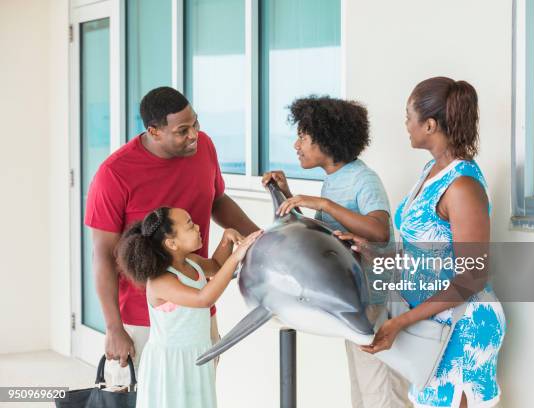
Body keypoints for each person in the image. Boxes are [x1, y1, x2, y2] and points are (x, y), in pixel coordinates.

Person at [337, 77, 506, 408]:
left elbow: (472, 276)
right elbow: (426, 250)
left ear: (429, 124)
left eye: (407, 116)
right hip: (429, 325)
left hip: (463, 330)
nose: (405, 124)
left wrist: (400, 323)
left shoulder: (462, 187)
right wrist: (373, 253)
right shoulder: (432, 170)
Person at [84, 87, 258, 385]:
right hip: (144, 319)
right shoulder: (114, 174)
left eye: (196, 124)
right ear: (154, 131)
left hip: (198, 311)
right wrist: (113, 327)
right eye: (182, 130)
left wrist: (260, 237)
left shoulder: (204, 147)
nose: (194, 135)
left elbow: (217, 200)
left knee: (197, 399)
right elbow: (103, 254)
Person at [262, 96, 410, 408]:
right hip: (353, 304)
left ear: (327, 138)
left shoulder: (362, 178)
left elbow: (379, 229)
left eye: (303, 136)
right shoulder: (334, 181)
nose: (296, 145)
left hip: (374, 307)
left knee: (382, 396)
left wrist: (323, 204)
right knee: (363, 395)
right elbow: (328, 237)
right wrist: (288, 196)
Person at [116, 206, 262, 407]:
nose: (198, 227)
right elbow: (204, 299)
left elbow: (216, 267)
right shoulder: (161, 281)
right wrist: (237, 256)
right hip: (171, 363)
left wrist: (226, 239)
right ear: (172, 243)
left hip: (196, 354)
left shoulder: (190, 262)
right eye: (190, 226)